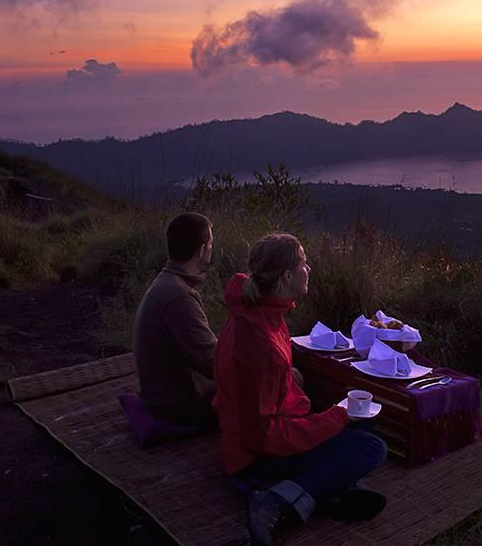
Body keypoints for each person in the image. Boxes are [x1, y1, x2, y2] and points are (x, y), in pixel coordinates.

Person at [213, 233, 387, 545]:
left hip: (265, 431)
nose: (309, 268)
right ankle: (277, 501)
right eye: (303, 263)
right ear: (286, 276)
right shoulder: (259, 340)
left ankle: (329, 493)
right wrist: (336, 417)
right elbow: (262, 436)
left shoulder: (261, 312)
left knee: (366, 421)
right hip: (251, 457)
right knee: (371, 448)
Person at [132, 212, 218, 429]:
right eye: (210, 243)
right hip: (177, 406)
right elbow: (213, 364)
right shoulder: (179, 296)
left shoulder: (166, 283)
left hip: (162, 395)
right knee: (282, 383)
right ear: (201, 250)